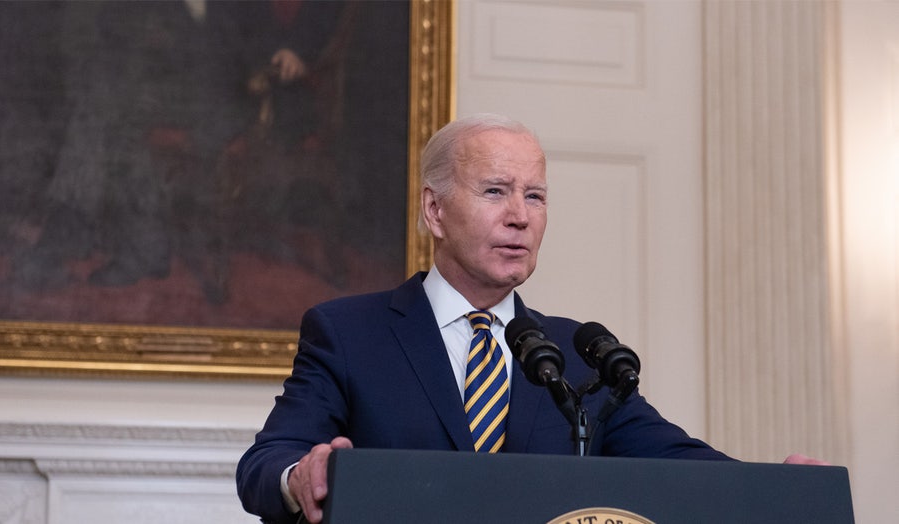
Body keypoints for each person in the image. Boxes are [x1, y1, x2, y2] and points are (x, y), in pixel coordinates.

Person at [235, 113, 827, 524]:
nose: (520, 216)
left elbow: (677, 462)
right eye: (496, 191)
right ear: (434, 209)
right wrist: (302, 476)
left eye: (536, 196)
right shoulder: (348, 333)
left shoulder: (574, 353)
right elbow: (263, 467)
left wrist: (775, 485)